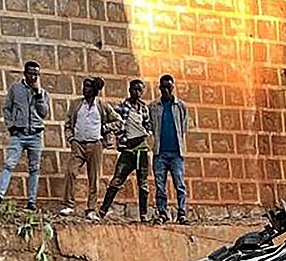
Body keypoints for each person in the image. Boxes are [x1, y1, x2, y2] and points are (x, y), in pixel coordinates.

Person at [0, 61, 52, 211]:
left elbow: (44, 113)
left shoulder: (43, 93)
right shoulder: (15, 89)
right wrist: (10, 125)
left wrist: (38, 93)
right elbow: (7, 108)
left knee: (34, 169)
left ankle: (31, 201)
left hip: (36, 134)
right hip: (18, 134)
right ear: (25, 73)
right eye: (31, 73)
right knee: (9, 164)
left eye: (36, 74)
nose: (33, 77)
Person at [59, 76, 117, 220]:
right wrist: (70, 139)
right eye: (84, 86)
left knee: (94, 178)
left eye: (89, 87)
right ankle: (69, 205)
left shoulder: (102, 105)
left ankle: (91, 209)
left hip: (95, 144)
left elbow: (118, 121)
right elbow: (67, 124)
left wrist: (105, 127)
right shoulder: (75, 104)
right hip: (78, 144)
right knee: (71, 172)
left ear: (95, 90)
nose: (85, 89)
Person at [98, 78, 152, 221]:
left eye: (140, 90)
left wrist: (144, 132)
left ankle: (144, 214)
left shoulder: (144, 108)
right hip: (127, 150)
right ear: (130, 90)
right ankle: (103, 210)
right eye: (135, 89)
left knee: (143, 184)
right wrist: (118, 135)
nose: (137, 92)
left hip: (141, 149)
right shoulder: (122, 107)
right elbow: (114, 121)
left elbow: (148, 125)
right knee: (116, 180)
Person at [148, 74, 190, 224]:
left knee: (179, 184)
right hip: (160, 152)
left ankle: (182, 213)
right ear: (160, 88)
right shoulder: (153, 106)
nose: (166, 90)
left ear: (172, 88)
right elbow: (150, 126)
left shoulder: (181, 106)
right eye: (163, 87)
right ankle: (162, 213)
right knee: (160, 185)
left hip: (176, 152)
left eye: (169, 87)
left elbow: (184, 126)